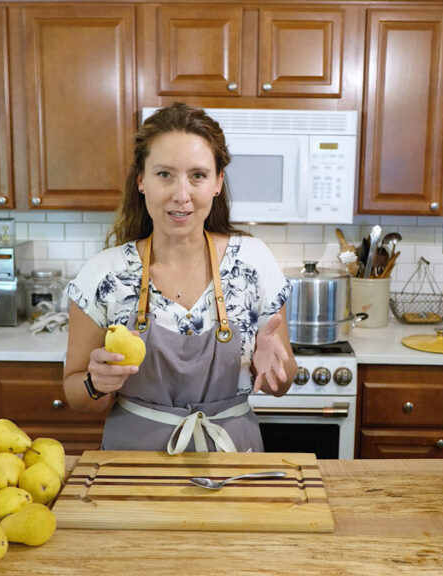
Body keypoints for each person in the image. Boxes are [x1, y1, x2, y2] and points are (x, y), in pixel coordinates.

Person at [64, 102, 297, 454]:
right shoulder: (103, 274)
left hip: (232, 458)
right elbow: (77, 397)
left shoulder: (253, 261)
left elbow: (283, 384)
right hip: (135, 462)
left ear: (218, 182)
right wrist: (97, 383)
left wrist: (276, 369)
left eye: (198, 175)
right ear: (141, 180)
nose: (181, 194)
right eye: (164, 175)